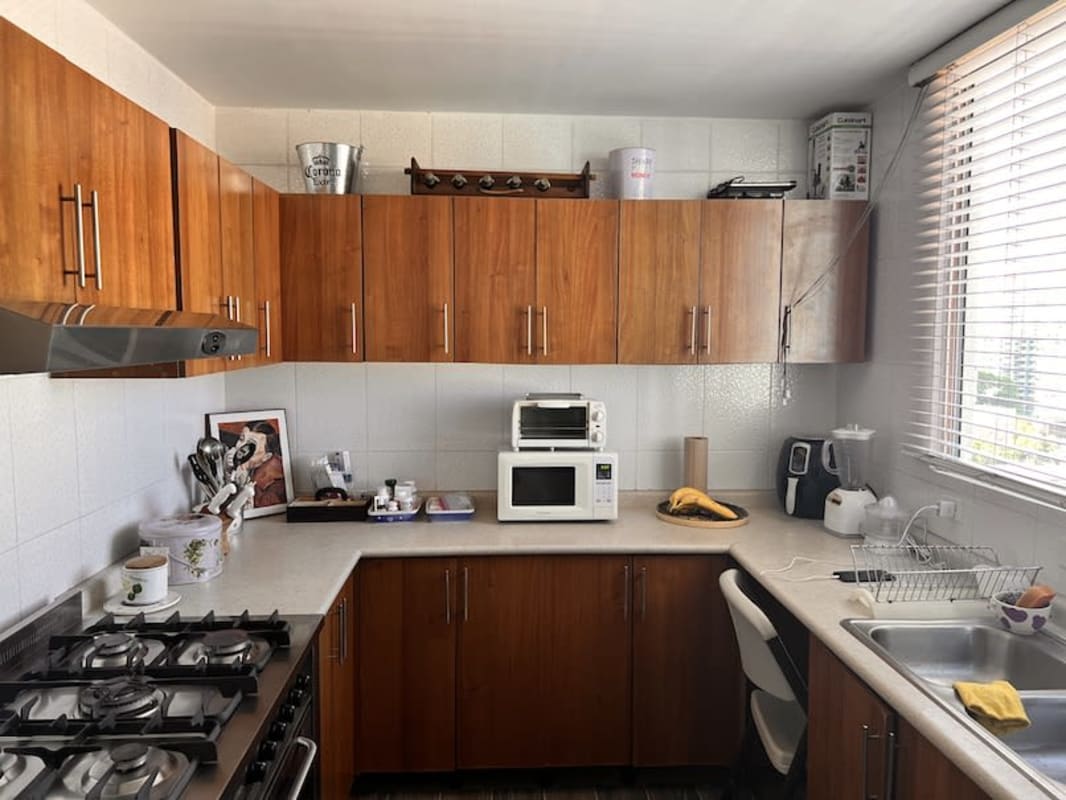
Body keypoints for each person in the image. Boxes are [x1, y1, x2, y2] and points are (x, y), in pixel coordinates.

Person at [232, 420, 287, 508]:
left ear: (266, 457)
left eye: (251, 445)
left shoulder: (275, 485)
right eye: (241, 439)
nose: (241, 447)